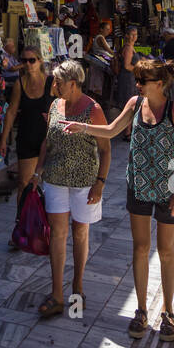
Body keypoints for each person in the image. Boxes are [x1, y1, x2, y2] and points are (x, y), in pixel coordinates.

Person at [66, 57, 174, 341]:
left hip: (167, 189)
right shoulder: (134, 104)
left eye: (143, 81)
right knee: (140, 248)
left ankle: (169, 312)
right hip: (138, 185)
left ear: (159, 84)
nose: (138, 85)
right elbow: (111, 130)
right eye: (138, 81)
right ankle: (142, 310)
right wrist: (82, 127)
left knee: (166, 251)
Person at [32, 59, 110, 318]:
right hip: (55, 178)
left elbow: (105, 149)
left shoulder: (93, 109)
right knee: (57, 233)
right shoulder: (55, 105)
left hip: (84, 182)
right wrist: (38, 170)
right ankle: (56, 293)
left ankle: (78, 285)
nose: (54, 86)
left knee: (80, 233)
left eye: (59, 82)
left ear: (74, 84)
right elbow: (46, 141)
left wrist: (100, 182)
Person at [0, 47, 53, 244]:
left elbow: (64, 106)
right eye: (25, 60)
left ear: (40, 61)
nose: (28, 64)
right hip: (27, 137)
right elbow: (12, 111)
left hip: (48, 140)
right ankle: (20, 226)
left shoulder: (51, 83)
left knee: (48, 185)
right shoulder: (19, 84)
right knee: (24, 183)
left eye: (32, 60)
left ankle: (46, 227)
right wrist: (4, 139)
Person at [115, 25, 139, 112]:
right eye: (132, 35)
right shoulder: (128, 48)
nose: (134, 37)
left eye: (135, 35)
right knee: (129, 107)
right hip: (128, 80)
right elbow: (127, 66)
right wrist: (139, 69)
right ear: (127, 35)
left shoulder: (130, 46)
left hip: (129, 79)